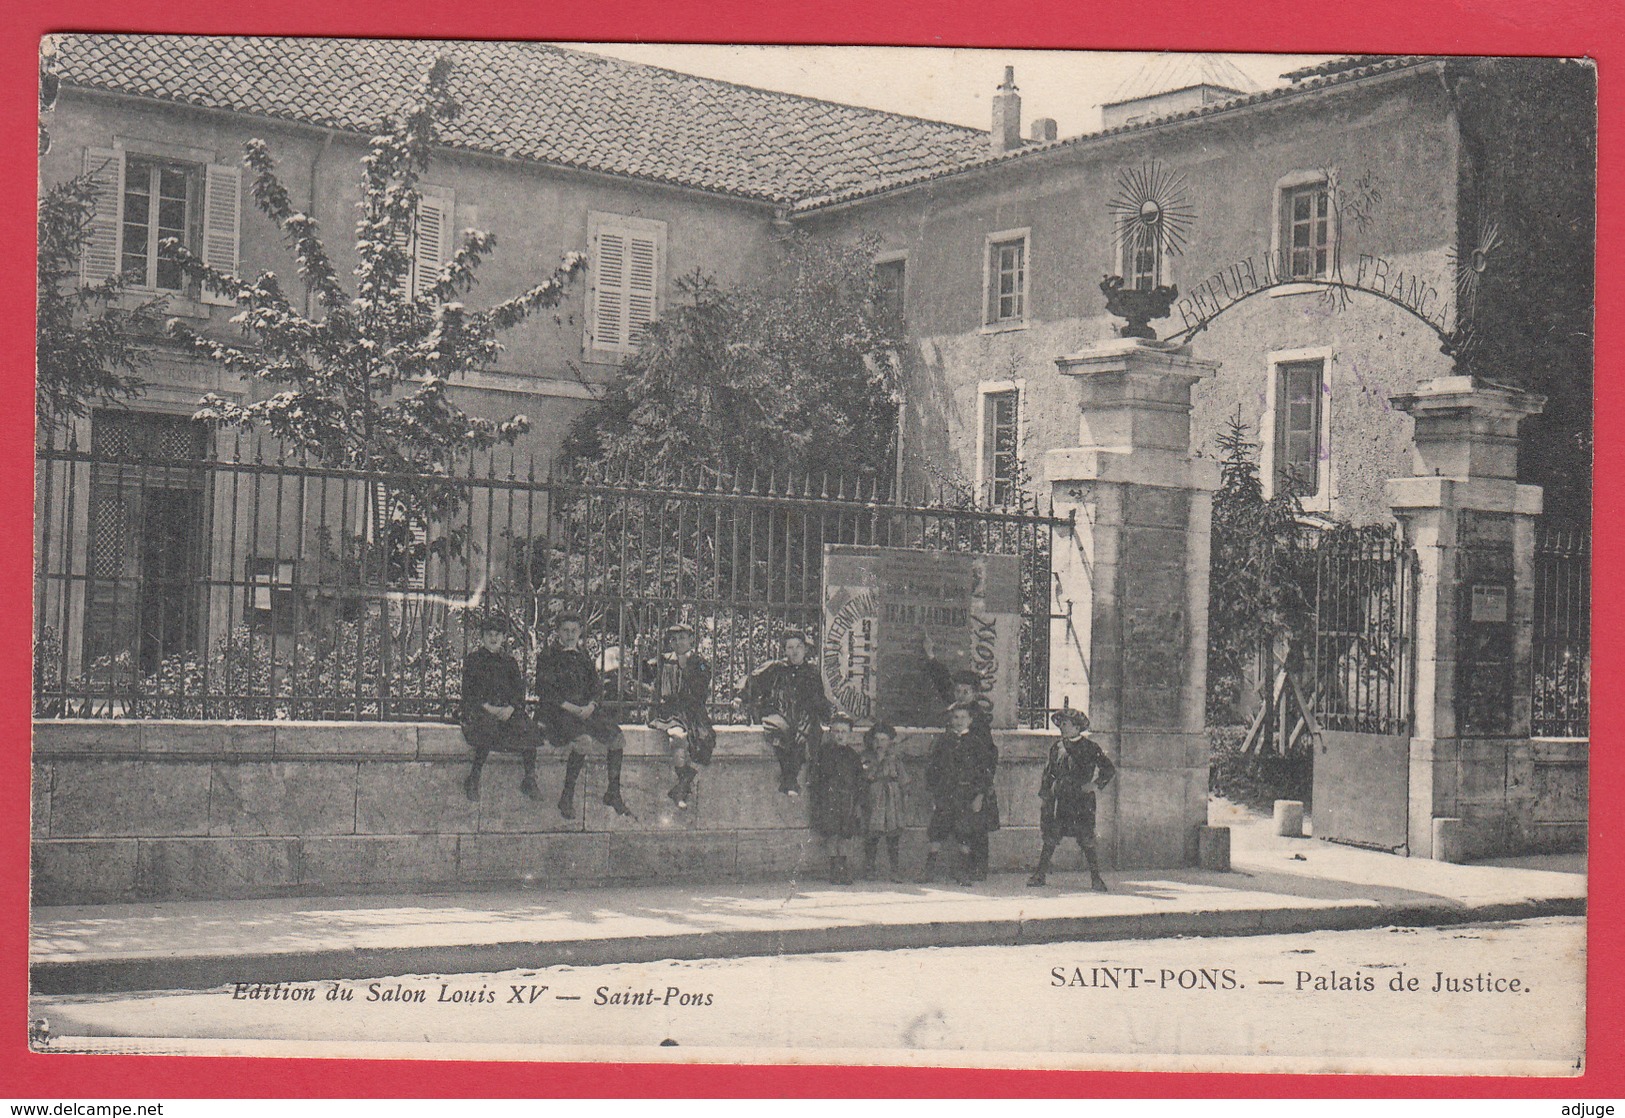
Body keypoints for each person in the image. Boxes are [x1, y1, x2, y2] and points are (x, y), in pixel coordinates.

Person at [534, 613, 633, 819]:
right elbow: (545, 690)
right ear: (558, 632)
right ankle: (567, 795)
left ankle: (613, 792)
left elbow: (595, 686)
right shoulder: (548, 656)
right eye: (565, 630)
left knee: (617, 739)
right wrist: (571, 707)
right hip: (558, 712)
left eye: (574, 630)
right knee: (584, 741)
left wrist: (592, 705)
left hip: (584, 711)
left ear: (580, 632)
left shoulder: (583, 655)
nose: (570, 635)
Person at [922, 634, 999, 881]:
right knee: (955, 826)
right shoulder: (955, 709)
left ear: (975, 694)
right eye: (959, 690)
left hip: (973, 783)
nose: (961, 694)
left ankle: (978, 869)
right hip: (951, 783)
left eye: (966, 691)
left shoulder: (978, 720)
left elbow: (988, 758)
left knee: (975, 827)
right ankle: (964, 869)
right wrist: (931, 657)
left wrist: (982, 790)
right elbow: (943, 683)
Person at [459, 613, 548, 801]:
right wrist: (488, 708)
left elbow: (518, 692)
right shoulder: (473, 660)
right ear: (482, 637)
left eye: (497, 634)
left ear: (503, 637)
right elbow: (468, 693)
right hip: (480, 710)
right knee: (487, 728)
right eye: (489, 634)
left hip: (506, 712)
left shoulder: (509, 662)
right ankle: (474, 777)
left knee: (527, 728)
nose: (493, 638)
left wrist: (511, 709)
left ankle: (530, 778)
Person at [1028, 706, 1115, 892]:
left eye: (1065, 724)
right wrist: (1045, 796)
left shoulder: (1091, 748)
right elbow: (1048, 773)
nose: (1061, 728)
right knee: (1051, 836)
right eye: (1060, 724)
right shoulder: (1057, 747)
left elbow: (1108, 769)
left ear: (1077, 727)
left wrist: (1095, 785)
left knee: (1086, 838)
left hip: (1081, 801)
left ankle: (1096, 879)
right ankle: (1040, 875)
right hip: (1059, 799)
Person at [738, 629, 830, 797]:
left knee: (810, 733)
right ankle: (789, 779)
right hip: (777, 713)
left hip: (803, 716)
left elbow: (818, 699)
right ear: (785, 650)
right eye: (790, 647)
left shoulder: (812, 673)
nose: (794, 651)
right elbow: (753, 680)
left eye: (798, 647)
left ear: (805, 649)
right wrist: (740, 697)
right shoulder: (776, 668)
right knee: (784, 731)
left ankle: (808, 777)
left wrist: (825, 716)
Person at [921, 701, 997, 886]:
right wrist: (933, 794)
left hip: (966, 794)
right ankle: (929, 870)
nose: (959, 721)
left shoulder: (977, 743)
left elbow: (984, 771)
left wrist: (979, 796)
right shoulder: (942, 741)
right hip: (945, 793)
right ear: (950, 719)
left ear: (970, 720)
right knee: (937, 831)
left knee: (964, 832)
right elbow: (933, 769)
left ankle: (962, 871)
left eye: (963, 717)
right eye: (956, 717)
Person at [647, 623, 715, 810]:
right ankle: (682, 786)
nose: (678, 643)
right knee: (678, 738)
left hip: (693, 712)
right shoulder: (664, 660)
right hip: (669, 712)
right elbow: (646, 676)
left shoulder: (699, 662)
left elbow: (701, 691)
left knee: (704, 741)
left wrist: (686, 669)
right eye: (674, 639)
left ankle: (681, 788)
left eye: (683, 638)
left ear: (691, 640)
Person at [810, 712, 866, 884]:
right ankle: (835, 869)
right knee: (832, 834)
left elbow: (859, 781)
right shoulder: (823, 753)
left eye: (844, 731)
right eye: (836, 731)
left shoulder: (853, 756)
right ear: (830, 733)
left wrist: (857, 804)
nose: (840, 735)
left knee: (845, 835)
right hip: (829, 799)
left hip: (847, 800)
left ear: (849, 734)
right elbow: (816, 779)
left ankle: (843, 868)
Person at [860, 722, 906, 881]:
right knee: (872, 833)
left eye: (883, 740)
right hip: (874, 797)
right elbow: (863, 777)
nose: (880, 744)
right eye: (876, 740)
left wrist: (902, 795)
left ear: (890, 742)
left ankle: (894, 870)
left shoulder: (895, 758)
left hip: (892, 798)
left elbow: (904, 779)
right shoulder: (866, 758)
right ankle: (869, 868)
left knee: (893, 835)